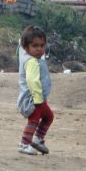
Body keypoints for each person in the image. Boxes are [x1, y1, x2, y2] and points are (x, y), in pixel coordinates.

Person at [16, 25, 53, 155]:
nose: (39, 49)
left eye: (42, 46)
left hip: (38, 98)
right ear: (26, 47)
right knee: (34, 120)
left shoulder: (34, 59)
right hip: (33, 99)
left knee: (48, 116)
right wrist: (38, 99)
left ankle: (37, 139)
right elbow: (32, 81)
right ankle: (24, 144)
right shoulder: (31, 61)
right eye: (35, 46)